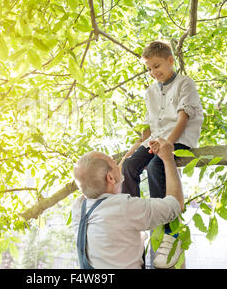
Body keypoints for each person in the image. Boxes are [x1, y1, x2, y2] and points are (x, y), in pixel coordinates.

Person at [119, 40, 203, 268]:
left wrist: (167, 145)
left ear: (170, 60)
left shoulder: (185, 83)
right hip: (155, 139)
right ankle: (132, 218)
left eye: (157, 66)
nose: (153, 72)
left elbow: (183, 119)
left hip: (179, 139)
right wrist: (136, 146)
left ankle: (168, 231)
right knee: (128, 166)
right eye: (149, 69)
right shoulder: (150, 92)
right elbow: (148, 126)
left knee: (157, 165)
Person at [72, 138, 184, 269]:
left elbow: (102, 182)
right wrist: (168, 158)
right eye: (114, 163)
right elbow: (176, 204)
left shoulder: (79, 207)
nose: (117, 163)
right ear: (110, 177)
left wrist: (130, 154)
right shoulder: (123, 207)